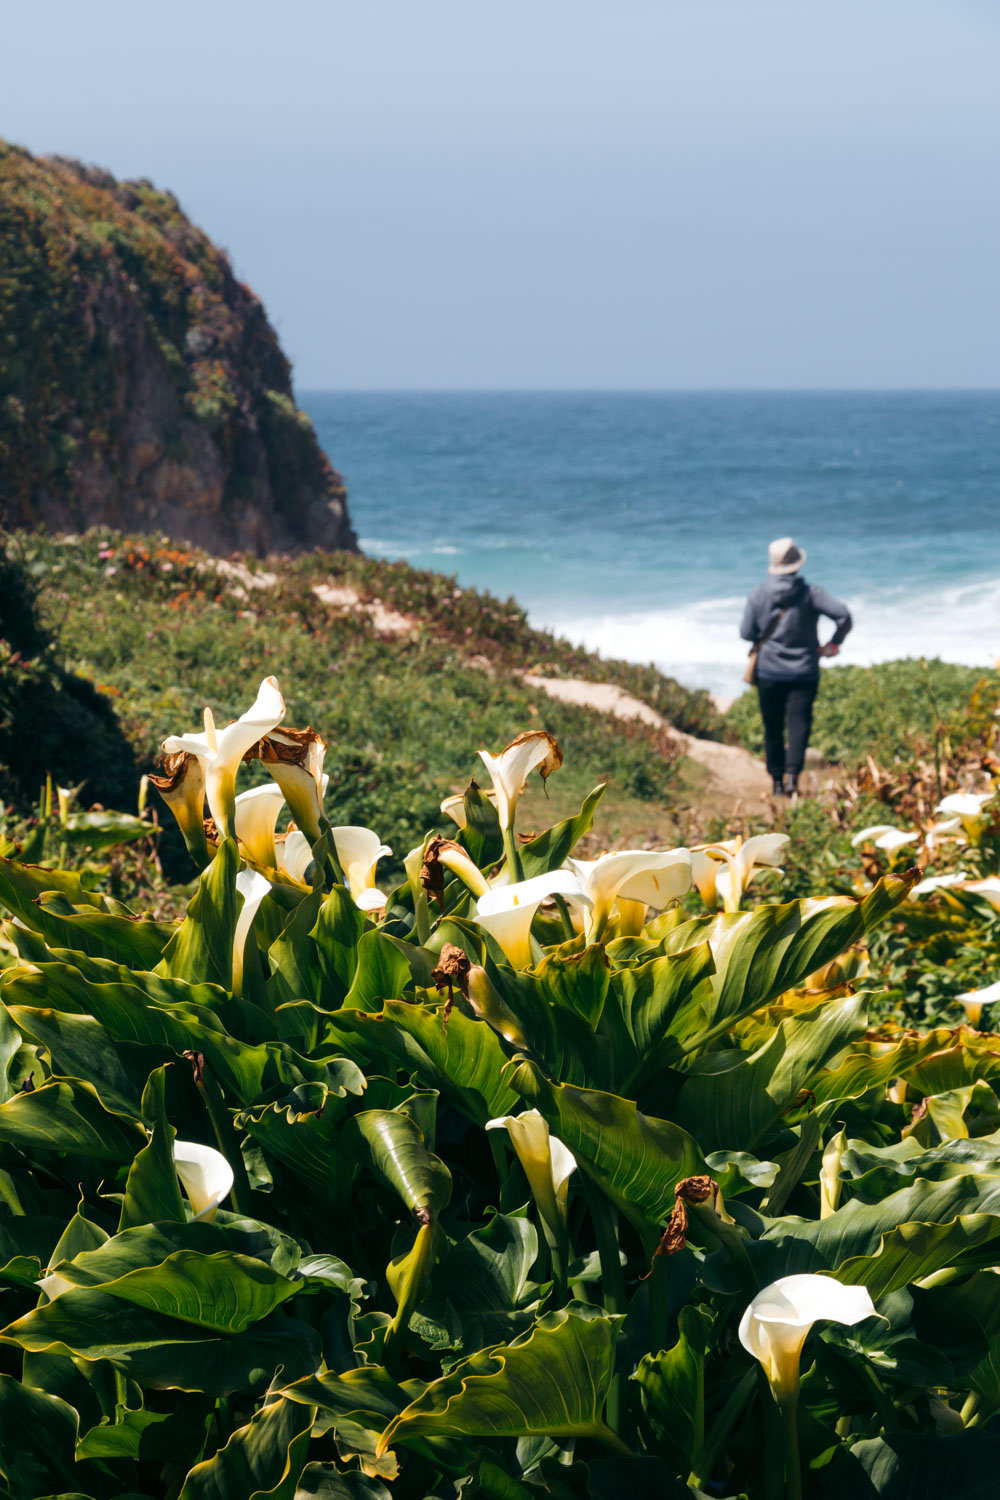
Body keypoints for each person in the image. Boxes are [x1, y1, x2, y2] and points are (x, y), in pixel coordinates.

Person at [740, 537, 852, 797]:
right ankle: (792, 778)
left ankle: (777, 782)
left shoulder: (758, 594)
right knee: (799, 725)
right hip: (804, 671)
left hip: (768, 671)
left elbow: (746, 632)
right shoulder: (811, 593)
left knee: (772, 727)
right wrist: (832, 645)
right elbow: (844, 615)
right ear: (797, 563)